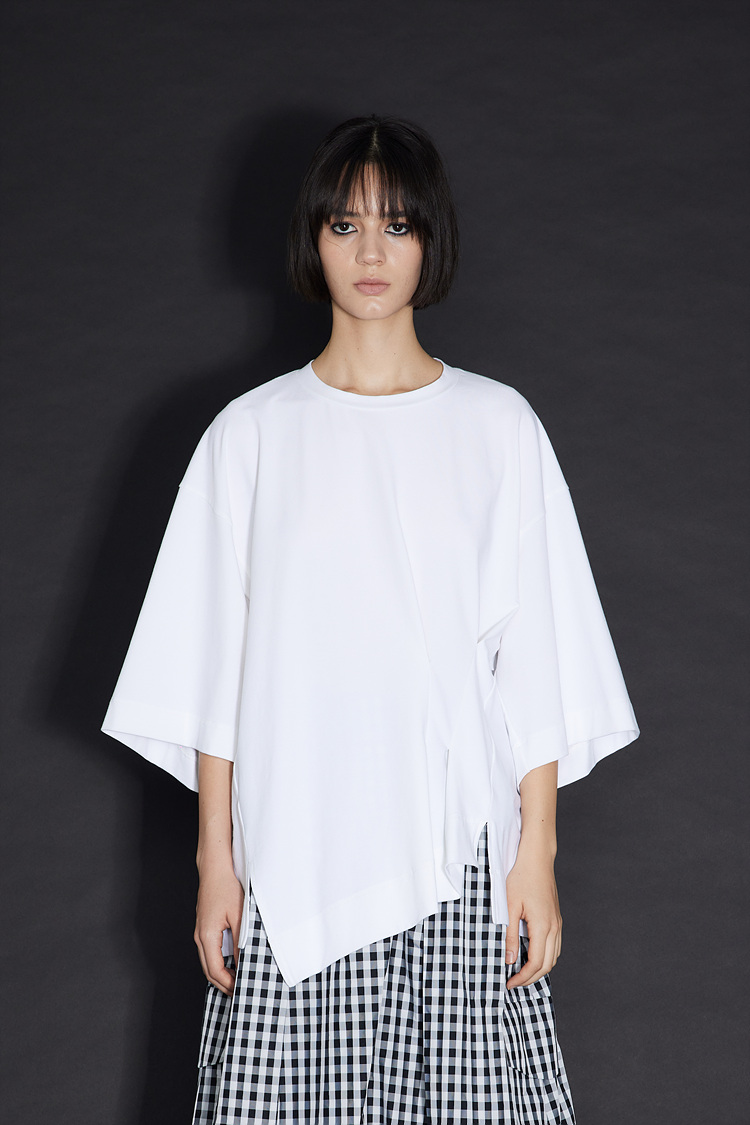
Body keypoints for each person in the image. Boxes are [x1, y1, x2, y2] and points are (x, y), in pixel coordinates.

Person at [102, 115, 638, 1124]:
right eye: (345, 226)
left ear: (431, 239)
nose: (372, 252)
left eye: (397, 224)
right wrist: (217, 862)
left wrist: (537, 853)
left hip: (457, 845)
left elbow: (537, 657)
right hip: (295, 841)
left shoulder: (498, 427)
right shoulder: (251, 435)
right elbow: (211, 666)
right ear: (314, 241)